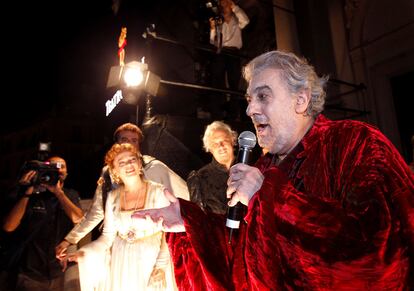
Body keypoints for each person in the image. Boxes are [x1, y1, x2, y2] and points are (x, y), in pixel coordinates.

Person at [133, 50, 414, 290]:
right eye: (249, 99)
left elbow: (383, 252)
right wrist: (191, 222)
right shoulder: (263, 168)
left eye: (263, 96)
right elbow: (244, 254)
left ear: (301, 101)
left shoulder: (356, 143)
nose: (250, 109)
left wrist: (269, 197)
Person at [55, 123, 189, 263]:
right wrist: (70, 239)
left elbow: (175, 210)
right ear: (117, 144)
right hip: (121, 248)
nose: (129, 143)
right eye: (124, 139)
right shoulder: (108, 174)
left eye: (134, 140)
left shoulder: (155, 168)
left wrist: (162, 261)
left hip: (154, 249)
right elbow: (96, 212)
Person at [67, 143, 176, 290]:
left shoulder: (158, 191)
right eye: (122, 162)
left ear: (139, 163)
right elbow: (107, 236)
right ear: (115, 171)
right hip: (122, 261)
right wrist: (86, 252)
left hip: (151, 258)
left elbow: (168, 233)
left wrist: (161, 264)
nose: (128, 165)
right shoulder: (113, 197)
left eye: (132, 160)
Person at [2, 156, 83, 291]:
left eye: (61, 166)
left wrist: (59, 193)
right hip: (27, 272)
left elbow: (79, 220)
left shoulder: (70, 195)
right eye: (51, 166)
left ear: (66, 173)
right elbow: (9, 226)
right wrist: (27, 191)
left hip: (56, 271)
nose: (57, 170)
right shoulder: (26, 193)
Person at [209, 0, 249, 119]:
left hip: (234, 52)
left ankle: (233, 114)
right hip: (221, 52)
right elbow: (212, 41)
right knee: (217, 81)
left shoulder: (237, 21)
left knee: (234, 82)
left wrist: (235, 7)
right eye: (222, 4)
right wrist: (212, 29)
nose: (224, 6)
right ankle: (216, 113)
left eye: (226, 3)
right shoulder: (218, 21)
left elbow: (246, 21)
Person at [187, 121, 237, 214]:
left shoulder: (250, 169)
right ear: (209, 148)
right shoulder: (199, 179)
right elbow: (198, 219)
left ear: (232, 140)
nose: (221, 146)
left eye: (224, 140)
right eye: (215, 144)